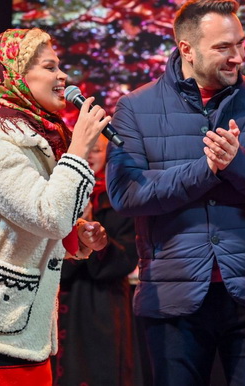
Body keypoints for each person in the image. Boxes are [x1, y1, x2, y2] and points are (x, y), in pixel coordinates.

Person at [106, 0, 245, 386]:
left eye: (241, 44)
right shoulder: (135, 106)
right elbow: (127, 194)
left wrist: (238, 162)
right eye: (223, 48)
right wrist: (206, 170)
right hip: (172, 297)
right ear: (187, 49)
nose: (238, 57)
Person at [0, 28, 111, 385]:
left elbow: (32, 218)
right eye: (50, 67)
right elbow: (48, 215)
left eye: (60, 66)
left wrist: (75, 238)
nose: (63, 76)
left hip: (15, 323)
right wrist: (79, 149)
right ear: (15, 76)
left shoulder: (34, 136)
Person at [52, 135, 138, 386]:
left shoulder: (120, 197)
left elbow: (126, 257)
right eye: (86, 148)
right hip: (63, 298)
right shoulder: (58, 194)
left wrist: (94, 238)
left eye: (97, 150)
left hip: (103, 303)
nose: (89, 154)